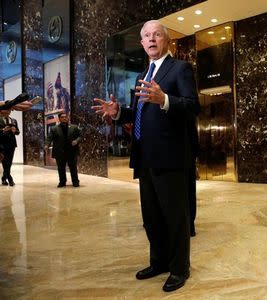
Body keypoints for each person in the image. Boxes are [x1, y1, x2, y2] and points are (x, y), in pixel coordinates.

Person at [92, 20, 200, 292]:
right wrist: (118, 112)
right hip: (144, 156)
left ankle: (179, 268)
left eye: (157, 35)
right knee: (151, 216)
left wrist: (164, 99)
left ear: (167, 39)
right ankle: (159, 261)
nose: (151, 39)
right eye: (146, 36)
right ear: (141, 43)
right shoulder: (143, 74)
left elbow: (191, 107)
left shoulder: (180, 69)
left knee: (175, 217)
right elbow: (139, 114)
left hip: (170, 157)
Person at [45, 112, 81, 187]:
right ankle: (62, 182)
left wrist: (76, 141)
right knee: (61, 168)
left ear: (68, 118)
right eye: (62, 117)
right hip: (59, 152)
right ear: (59, 118)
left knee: (73, 167)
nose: (64, 118)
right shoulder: (54, 128)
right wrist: (46, 145)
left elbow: (80, 136)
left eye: (66, 117)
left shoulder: (74, 127)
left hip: (71, 151)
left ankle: (75, 181)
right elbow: (49, 138)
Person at [0, 110, 20, 186]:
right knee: (5, 162)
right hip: (2, 144)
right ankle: (10, 178)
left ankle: (3, 178)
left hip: (12, 144)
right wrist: (3, 130)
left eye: (9, 110)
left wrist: (15, 131)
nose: (7, 112)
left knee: (9, 162)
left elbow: (18, 132)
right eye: (6, 110)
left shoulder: (14, 120)